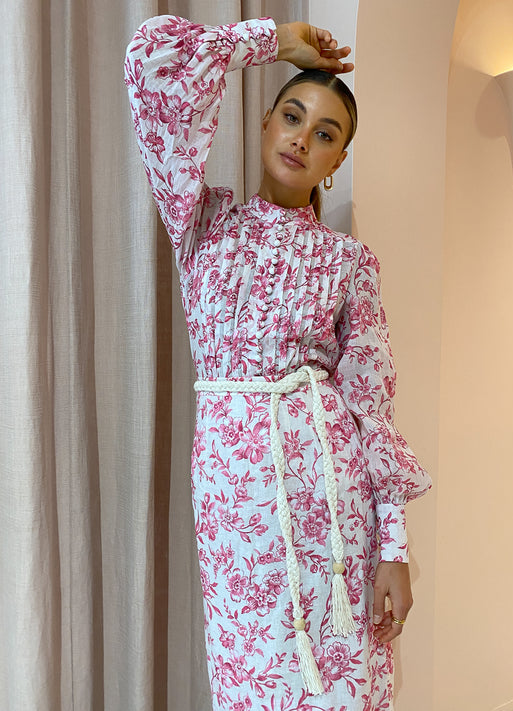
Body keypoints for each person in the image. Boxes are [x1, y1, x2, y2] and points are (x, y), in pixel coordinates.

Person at [124, 14, 431, 711]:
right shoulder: (202, 225)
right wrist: (269, 43)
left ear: (338, 160)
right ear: (264, 124)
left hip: (333, 498)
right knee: (252, 678)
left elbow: (372, 406)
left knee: (341, 676)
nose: (301, 138)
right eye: (292, 117)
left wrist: (393, 547)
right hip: (235, 506)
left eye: (325, 133)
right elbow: (150, 59)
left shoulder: (349, 262)